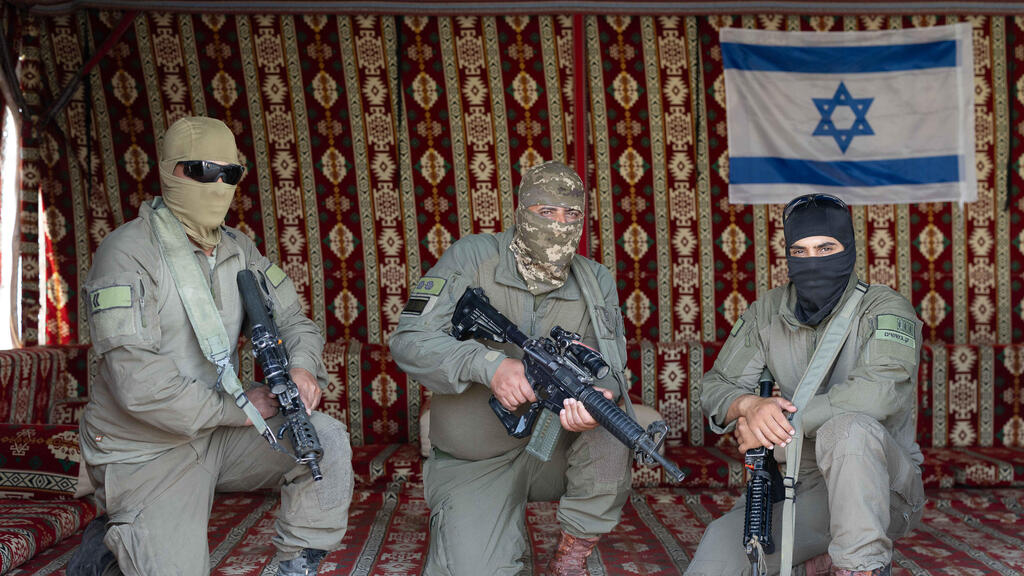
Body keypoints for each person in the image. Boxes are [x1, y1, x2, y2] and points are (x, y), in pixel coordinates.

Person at [68, 116, 353, 576]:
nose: (218, 184)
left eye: (230, 173)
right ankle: (108, 545)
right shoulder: (127, 252)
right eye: (202, 171)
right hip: (147, 448)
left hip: (217, 435)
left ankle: (296, 567)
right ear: (169, 172)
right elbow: (138, 385)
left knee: (324, 441)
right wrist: (238, 409)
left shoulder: (240, 250)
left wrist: (301, 369)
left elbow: (295, 320)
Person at [389, 161, 633, 576]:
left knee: (614, 419)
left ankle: (572, 555)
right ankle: (493, 531)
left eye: (571, 214)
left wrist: (596, 400)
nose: (559, 224)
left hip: (553, 450)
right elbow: (409, 341)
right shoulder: (473, 258)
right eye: (546, 212)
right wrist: (488, 365)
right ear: (521, 211)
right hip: (476, 458)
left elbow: (610, 367)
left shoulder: (595, 279)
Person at [685, 193, 926, 576]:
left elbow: (879, 392)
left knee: (847, 430)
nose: (814, 262)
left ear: (848, 249)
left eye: (826, 248)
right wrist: (749, 407)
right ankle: (819, 563)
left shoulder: (884, 308)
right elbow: (716, 388)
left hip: (879, 485)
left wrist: (781, 426)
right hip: (800, 482)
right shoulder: (769, 309)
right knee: (717, 559)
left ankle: (860, 567)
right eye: (801, 251)